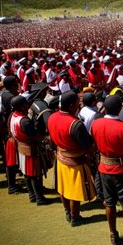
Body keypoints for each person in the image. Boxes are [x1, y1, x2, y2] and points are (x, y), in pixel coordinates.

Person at [91, 95, 123, 245]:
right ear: (120, 109)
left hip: (103, 168)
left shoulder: (95, 124)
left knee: (109, 203)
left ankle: (113, 234)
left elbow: (94, 145)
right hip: (120, 169)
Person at [47, 91, 95, 226]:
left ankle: (68, 212)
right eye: (76, 103)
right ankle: (75, 217)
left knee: (63, 188)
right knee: (74, 190)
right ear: (71, 105)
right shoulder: (76, 124)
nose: (78, 106)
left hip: (61, 156)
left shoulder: (52, 117)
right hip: (75, 160)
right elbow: (87, 144)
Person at [9, 95, 49, 205]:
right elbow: (35, 136)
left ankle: (32, 195)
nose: (28, 106)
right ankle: (39, 198)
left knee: (27, 173)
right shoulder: (25, 121)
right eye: (26, 104)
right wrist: (44, 138)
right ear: (22, 107)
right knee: (35, 174)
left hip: (21, 147)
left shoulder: (13, 115)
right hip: (30, 149)